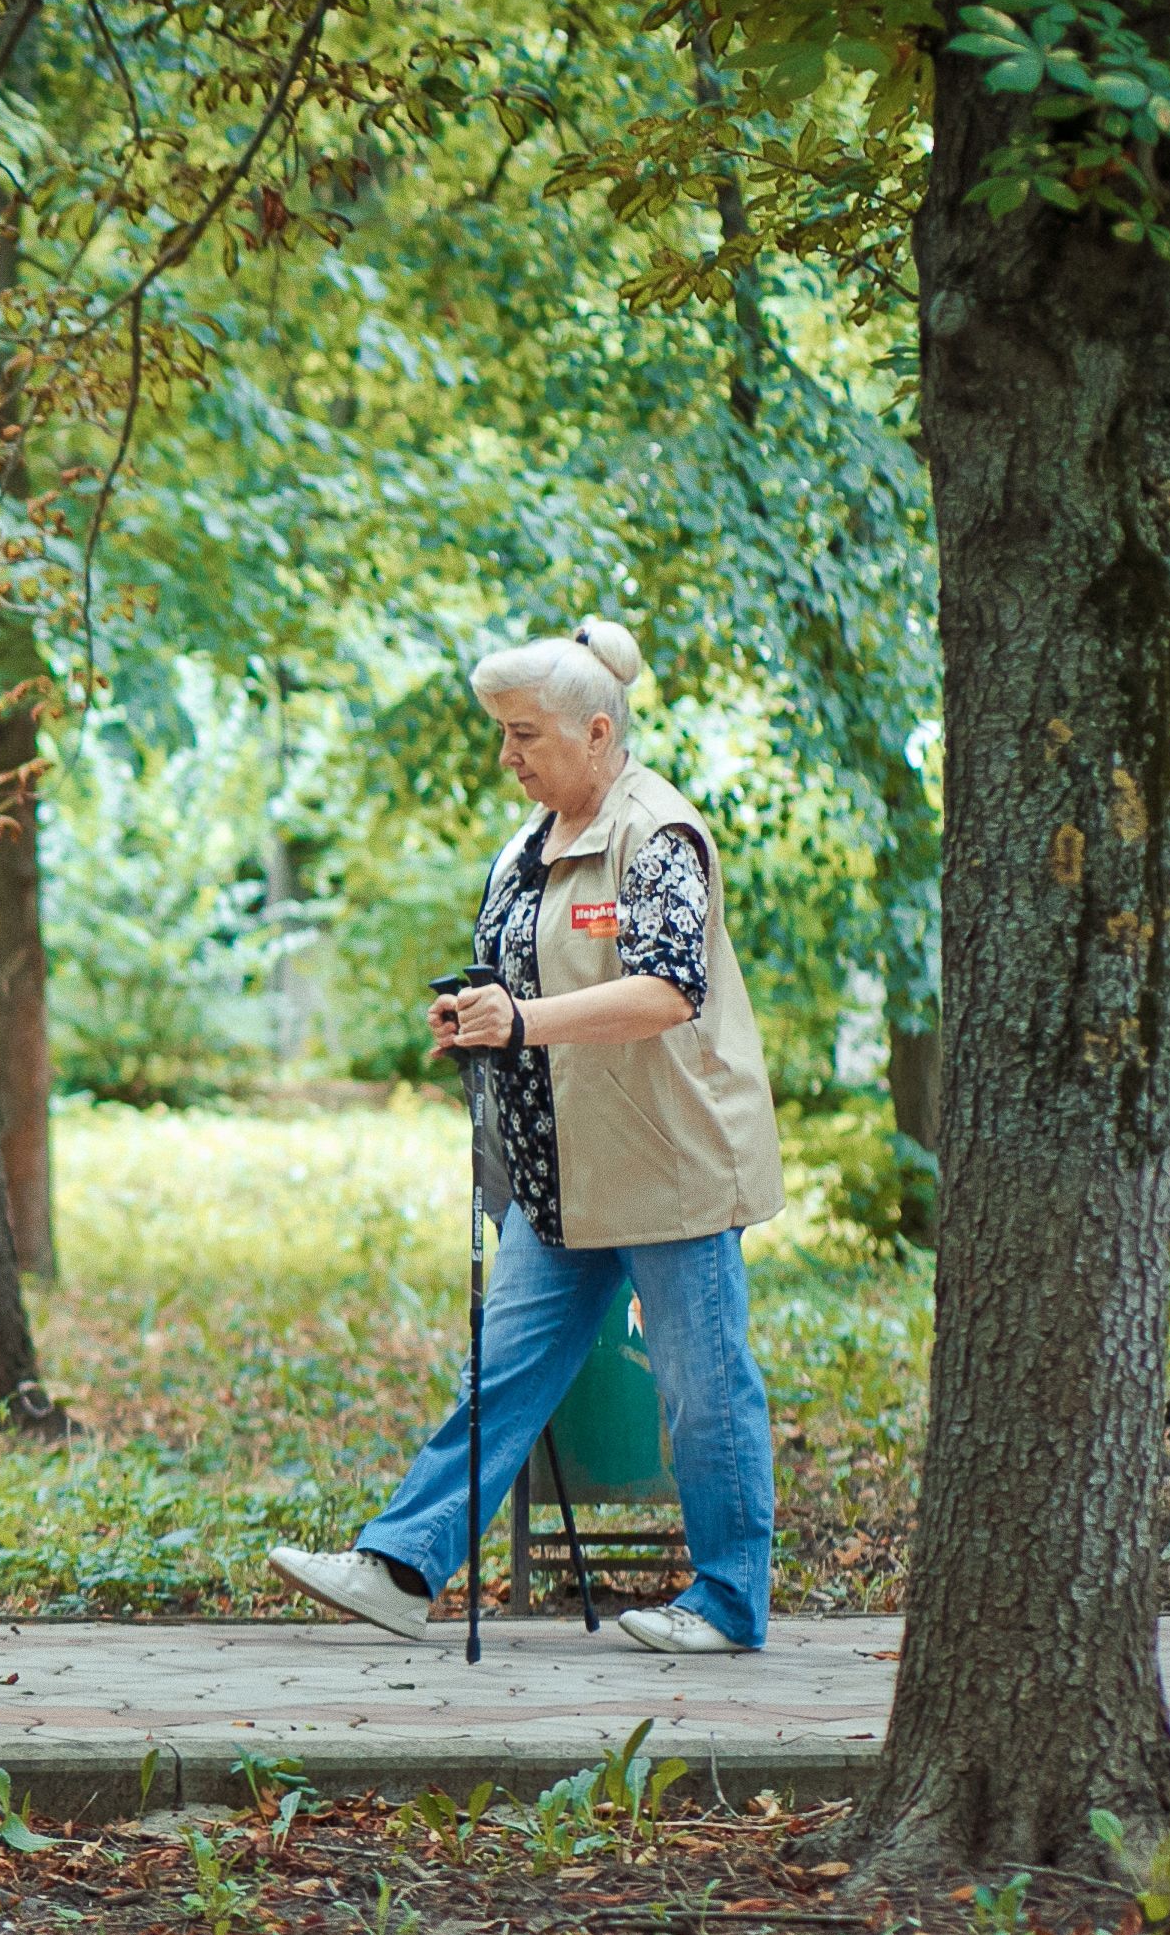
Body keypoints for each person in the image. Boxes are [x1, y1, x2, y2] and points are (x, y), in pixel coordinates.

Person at [270, 617, 784, 1656]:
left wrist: (523, 1020)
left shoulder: (658, 834)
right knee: (497, 1377)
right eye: (501, 735)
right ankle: (400, 1565)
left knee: (702, 1388)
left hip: (667, 1167)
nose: (505, 756)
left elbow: (667, 991)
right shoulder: (526, 846)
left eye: (522, 735)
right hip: (559, 1183)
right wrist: (473, 1020)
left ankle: (729, 1602)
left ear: (597, 733)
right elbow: (515, 982)